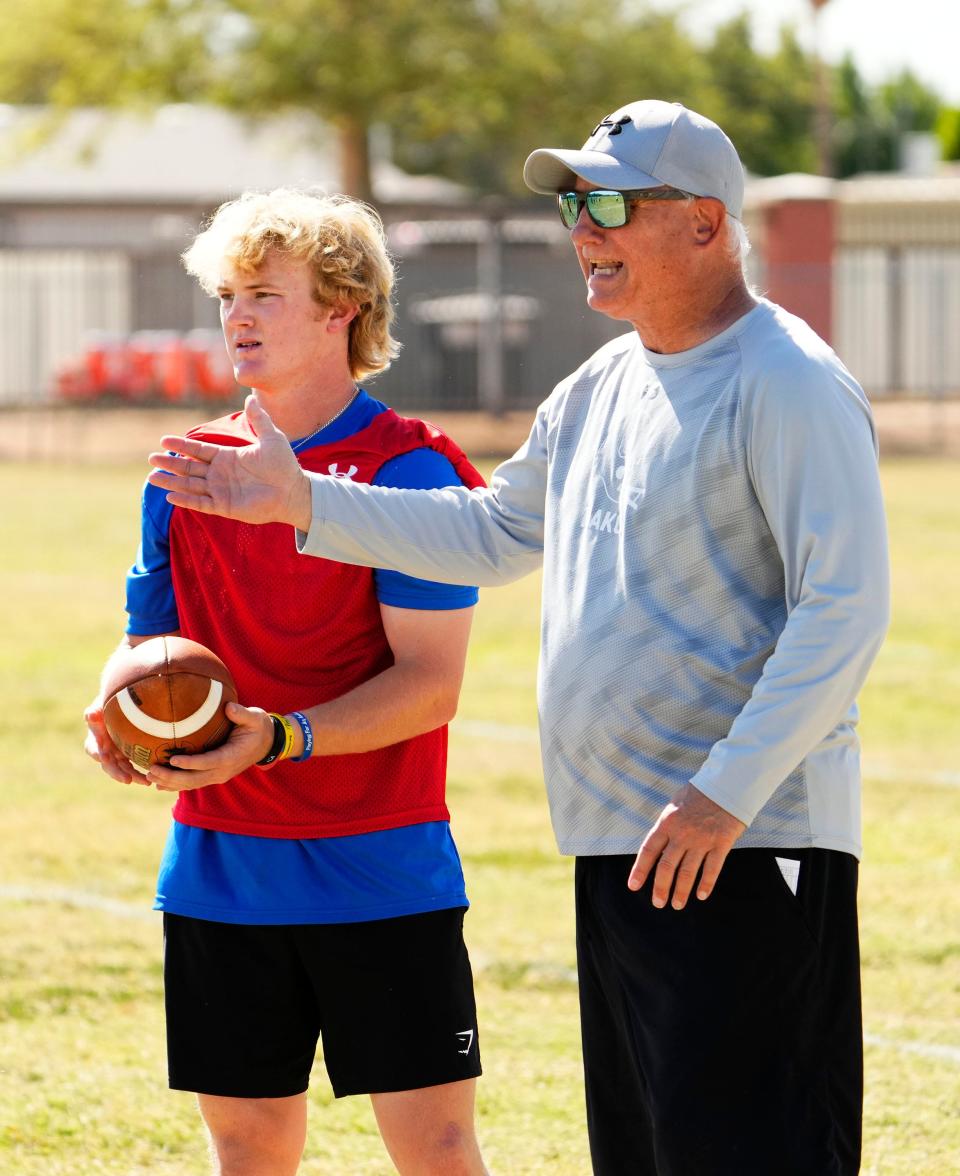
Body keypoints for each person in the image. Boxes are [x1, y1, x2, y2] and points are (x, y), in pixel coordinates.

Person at [147, 102, 890, 1176]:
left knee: (750, 1148)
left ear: (705, 225)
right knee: (651, 1151)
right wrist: (301, 501)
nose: (581, 229)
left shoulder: (788, 380)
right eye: (573, 205)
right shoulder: (602, 384)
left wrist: (725, 794)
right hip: (625, 841)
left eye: (608, 204)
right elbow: (494, 532)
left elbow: (845, 609)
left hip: (743, 840)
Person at [84, 189, 491, 1176]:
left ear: (341, 305)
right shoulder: (185, 471)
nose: (236, 317)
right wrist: (112, 712)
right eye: (228, 294)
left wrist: (279, 737)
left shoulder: (413, 472)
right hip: (221, 869)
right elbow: (150, 642)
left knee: (435, 1147)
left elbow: (431, 686)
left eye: (265, 292)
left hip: (382, 866)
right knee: (248, 1144)